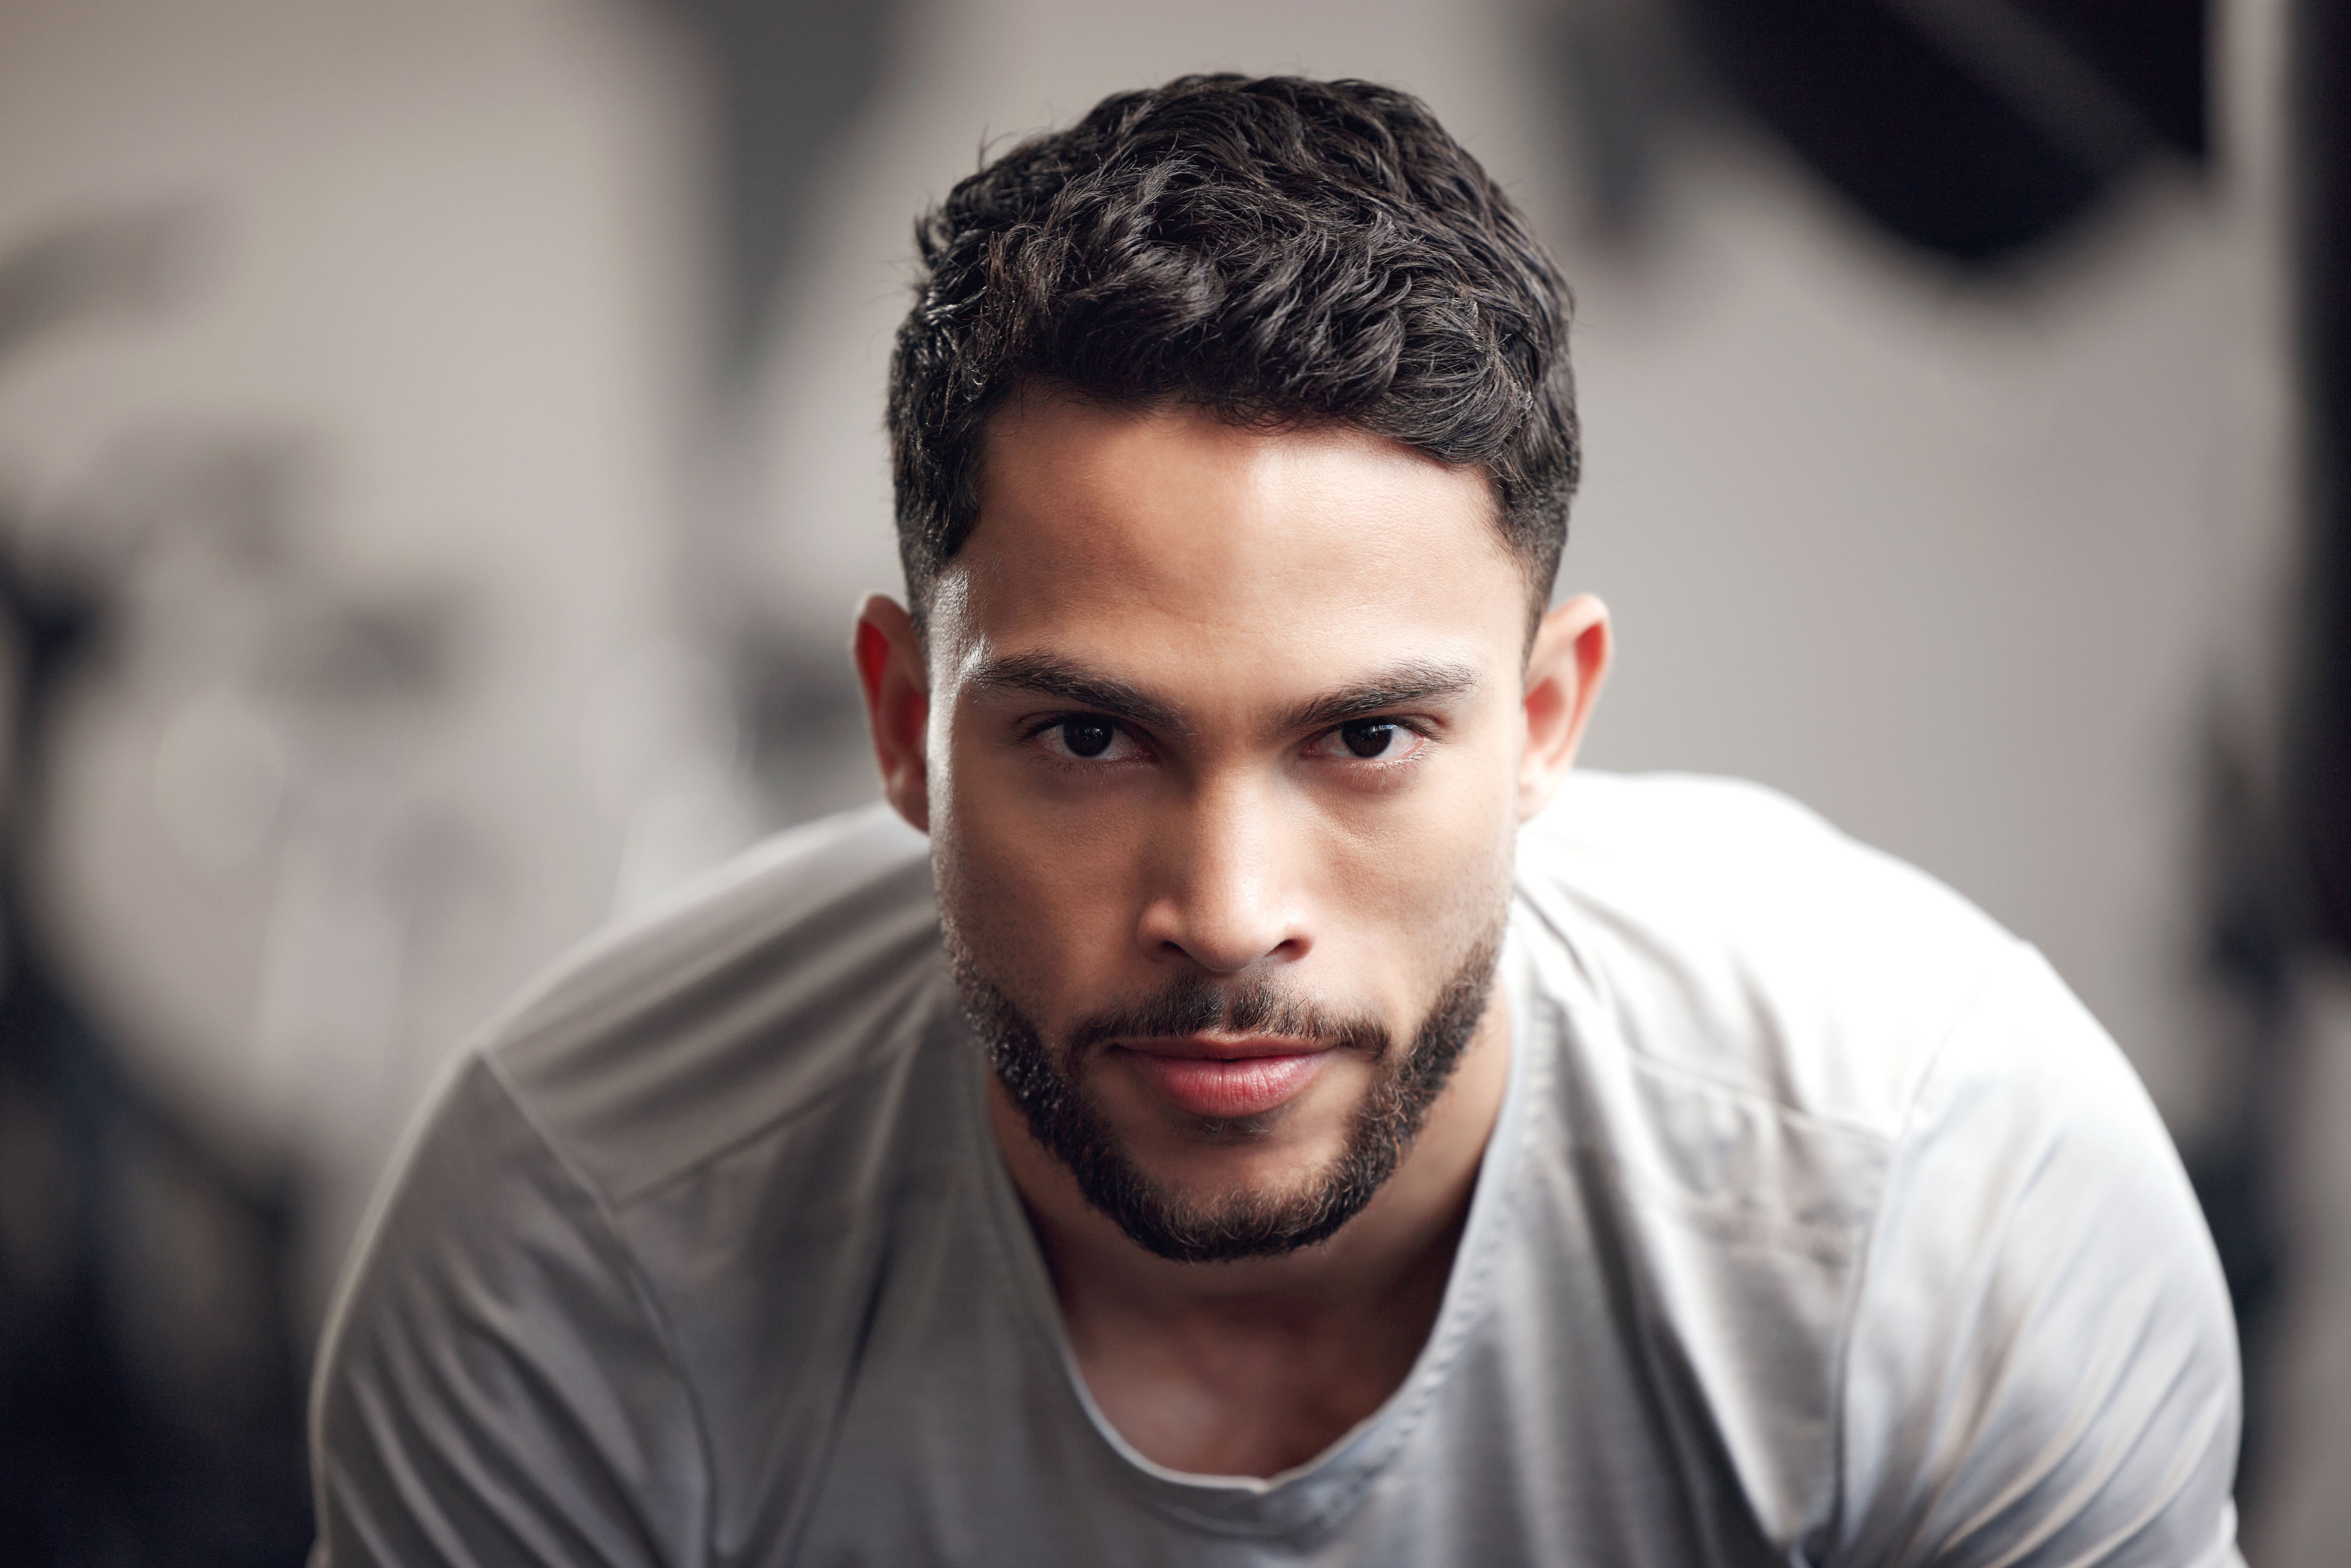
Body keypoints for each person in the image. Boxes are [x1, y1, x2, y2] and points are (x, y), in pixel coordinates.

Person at [309, 75, 2242, 1565]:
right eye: (1088, 742)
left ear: (1550, 720)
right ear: (905, 726)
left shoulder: (1944, 1197)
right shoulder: (576, 1241)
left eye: (1368, 741)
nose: (1228, 914)